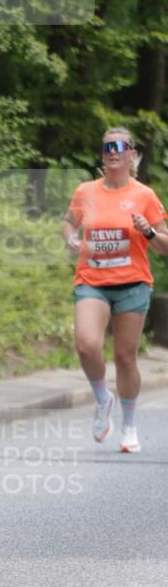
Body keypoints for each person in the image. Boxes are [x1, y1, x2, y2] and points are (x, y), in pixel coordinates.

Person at [62, 127, 168, 453]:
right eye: (107, 146)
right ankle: (102, 398)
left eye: (119, 146)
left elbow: (164, 245)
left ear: (131, 154)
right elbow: (69, 221)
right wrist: (70, 237)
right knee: (86, 345)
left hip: (132, 283)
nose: (112, 151)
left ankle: (129, 427)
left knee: (124, 358)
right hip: (92, 280)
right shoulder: (86, 191)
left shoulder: (144, 195)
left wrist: (148, 232)